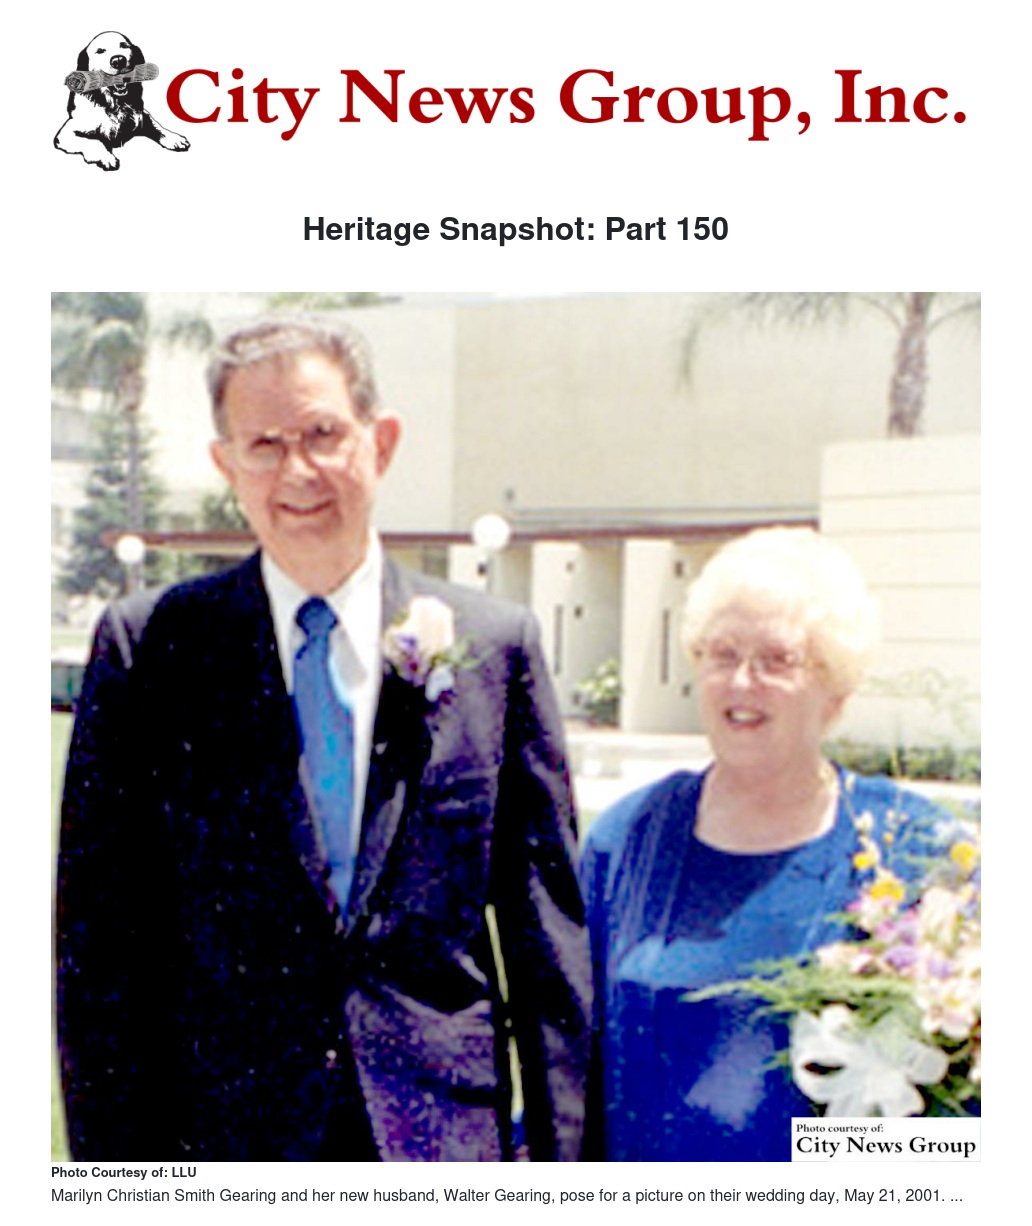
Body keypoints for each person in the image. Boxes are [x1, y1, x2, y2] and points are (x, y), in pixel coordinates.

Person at [56, 317, 591, 1162]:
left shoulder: (495, 648)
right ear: (226, 465)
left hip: (439, 1145)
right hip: (230, 1146)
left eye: (321, 434)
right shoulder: (151, 650)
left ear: (381, 442)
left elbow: (547, 942)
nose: (297, 471)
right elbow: (100, 950)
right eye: (264, 445)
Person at [579, 527, 961, 1161]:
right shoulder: (625, 841)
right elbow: (564, 1060)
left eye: (778, 660)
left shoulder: (915, 850)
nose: (742, 682)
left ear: (835, 690)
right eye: (722, 654)